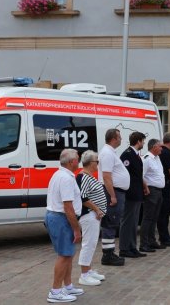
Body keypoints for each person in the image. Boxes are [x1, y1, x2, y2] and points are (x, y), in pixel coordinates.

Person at [46, 149, 84, 303]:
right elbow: (68, 207)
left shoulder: (60, 174)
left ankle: (67, 286)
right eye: (77, 158)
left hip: (58, 217)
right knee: (64, 255)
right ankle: (55, 291)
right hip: (61, 218)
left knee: (68, 253)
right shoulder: (66, 178)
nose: (79, 160)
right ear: (71, 162)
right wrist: (76, 229)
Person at [76, 150, 108, 287]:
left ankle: (88, 271)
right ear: (90, 163)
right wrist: (96, 209)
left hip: (93, 215)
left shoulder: (89, 176)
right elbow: (83, 197)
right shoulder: (83, 177)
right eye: (97, 161)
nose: (98, 164)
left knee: (92, 243)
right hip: (88, 214)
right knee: (88, 243)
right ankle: (84, 275)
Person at [98, 129, 127, 267]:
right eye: (119, 137)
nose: (121, 139)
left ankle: (110, 252)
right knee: (110, 222)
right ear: (114, 139)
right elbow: (106, 176)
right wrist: (113, 196)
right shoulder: (107, 153)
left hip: (116, 191)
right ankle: (107, 255)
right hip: (113, 192)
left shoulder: (110, 152)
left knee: (113, 222)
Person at [120, 131, 147, 258]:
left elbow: (138, 175)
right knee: (128, 221)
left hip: (137, 193)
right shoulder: (127, 155)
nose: (143, 143)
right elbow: (125, 175)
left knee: (134, 222)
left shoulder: (135, 155)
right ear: (139, 141)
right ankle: (125, 248)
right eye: (143, 141)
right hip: (130, 193)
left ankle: (132, 247)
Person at [140, 139, 166, 253]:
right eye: (160, 146)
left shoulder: (157, 158)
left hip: (159, 191)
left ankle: (152, 241)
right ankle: (144, 244)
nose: (161, 148)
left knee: (154, 217)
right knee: (148, 218)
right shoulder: (147, 159)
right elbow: (141, 175)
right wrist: (145, 188)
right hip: (151, 191)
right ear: (154, 147)